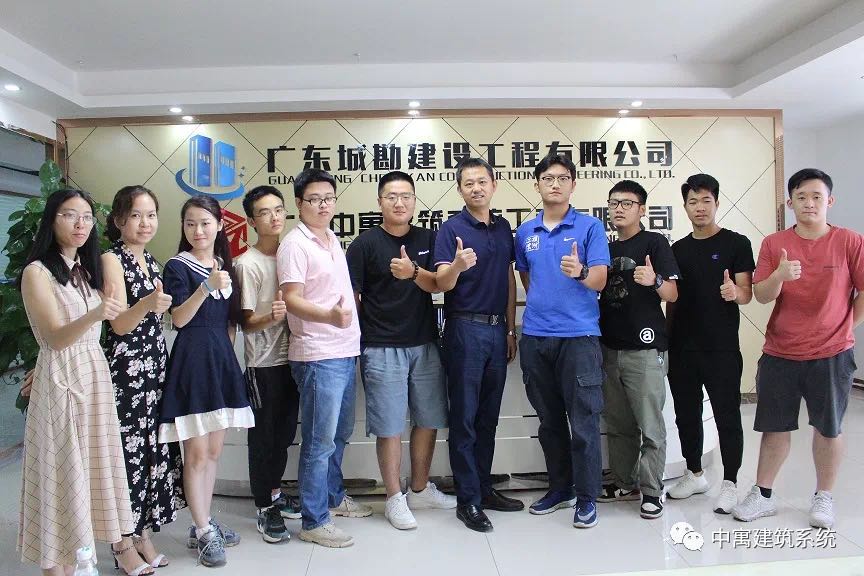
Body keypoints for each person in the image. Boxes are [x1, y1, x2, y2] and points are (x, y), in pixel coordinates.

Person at [18, 188, 146, 576]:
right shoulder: (37, 272)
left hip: (92, 377)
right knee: (62, 472)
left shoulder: (85, 271)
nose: (80, 224)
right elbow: (55, 338)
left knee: (89, 472)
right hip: (62, 381)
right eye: (70, 215)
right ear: (51, 220)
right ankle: (58, 565)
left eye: (87, 217)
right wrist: (95, 314)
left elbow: (109, 325)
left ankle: (82, 557)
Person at [733, 168, 864, 529]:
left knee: (829, 428)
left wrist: (844, 327)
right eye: (801, 197)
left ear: (829, 201)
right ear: (790, 203)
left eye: (816, 196)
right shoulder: (774, 243)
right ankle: (763, 494)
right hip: (781, 351)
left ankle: (824, 496)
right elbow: (761, 295)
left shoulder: (849, 241)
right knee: (774, 427)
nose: (809, 203)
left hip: (832, 354)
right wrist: (779, 275)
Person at [346, 171, 456, 531]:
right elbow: (352, 298)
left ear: (414, 201)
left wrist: (412, 272)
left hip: (425, 342)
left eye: (406, 196)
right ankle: (394, 497)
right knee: (390, 425)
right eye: (391, 196)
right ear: (379, 201)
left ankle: (419, 490)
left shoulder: (429, 238)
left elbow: (438, 284)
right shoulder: (363, 245)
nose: (399, 202)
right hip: (381, 346)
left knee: (428, 418)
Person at [278, 168, 372, 548]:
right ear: (299, 203)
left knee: (339, 434)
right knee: (319, 441)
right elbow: (291, 299)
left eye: (328, 199)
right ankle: (314, 520)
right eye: (314, 199)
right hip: (318, 354)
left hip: (345, 350)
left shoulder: (331, 237)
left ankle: (332, 498)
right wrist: (330, 317)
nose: (322, 205)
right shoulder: (294, 244)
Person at [515, 155, 610, 528]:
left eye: (562, 178)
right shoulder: (526, 232)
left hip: (579, 338)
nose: (555, 184)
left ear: (573, 184)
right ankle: (560, 489)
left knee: (583, 422)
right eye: (548, 178)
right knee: (549, 421)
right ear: (537, 184)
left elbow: (600, 279)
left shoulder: (590, 227)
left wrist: (580, 271)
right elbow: (527, 277)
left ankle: (586, 498)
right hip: (536, 337)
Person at [159, 195, 254, 567]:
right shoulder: (177, 266)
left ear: (219, 225)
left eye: (204, 223)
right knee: (196, 454)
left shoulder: (224, 266)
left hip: (220, 362)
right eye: (190, 223)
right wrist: (205, 287)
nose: (197, 230)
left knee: (213, 452)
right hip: (192, 362)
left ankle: (204, 522)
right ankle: (202, 530)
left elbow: (229, 323)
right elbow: (179, 319)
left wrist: (228, 360)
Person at [434, 157, 522, 533]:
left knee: (488, 418)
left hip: (497, 330)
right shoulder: (450, 229)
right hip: (464, 330)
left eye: (482, 181)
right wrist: (456, 265)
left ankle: (484, 489)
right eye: (468, 183)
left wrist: (510, 330)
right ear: (459, 189)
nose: (476, 188)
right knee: (465, 419)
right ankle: (467, 499)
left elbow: (509, 278)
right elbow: (441, 282)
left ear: (494, 184)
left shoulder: (503, 228)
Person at [102, 186, 185, 568]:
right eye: (136, 215)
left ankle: (142, 534)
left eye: (151, 214)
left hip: (153, 365)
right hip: (127, 371)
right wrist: (149, 304)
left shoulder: (150, 260)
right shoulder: (111, 259)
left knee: (152, 451)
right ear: (119, 219)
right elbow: (119, 324)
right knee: (127, 455)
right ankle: (121, 543)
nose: (145, 222)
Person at [665, 174, 754, 513]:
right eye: (693, 201)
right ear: (685, 206)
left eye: (706, 201)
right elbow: (671, 299)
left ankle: (730, 483)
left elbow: (746, 293)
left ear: (717, 203)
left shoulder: (736, 243)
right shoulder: (677, 249)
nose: (699, 207)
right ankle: (695, 473)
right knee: (686, 415)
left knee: (727, 415)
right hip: (682, 346)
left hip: (721, 347)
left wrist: (735, 293)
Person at [597, 180, 679, 520]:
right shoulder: (604, 247)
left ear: (642, 209)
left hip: (645, 349)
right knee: (619, 424)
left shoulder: (655, 242)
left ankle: (652, 490)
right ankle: (623, 482)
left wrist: (654, 280)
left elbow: (672, 293)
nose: (619, 209)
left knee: (650, 425)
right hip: (609, 347)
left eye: (627, 203)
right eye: (614, 203)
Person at [236, 185, 300, 544]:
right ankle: (264, 506)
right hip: (263, 364)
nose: (274, 217)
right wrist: (272, 317)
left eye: (278, 209)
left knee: (285, 434)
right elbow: (245, 323)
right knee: (264, 437)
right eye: (264, 212)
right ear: (251, 221)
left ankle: (275, 493)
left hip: (295, 358)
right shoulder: (247, 264)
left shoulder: (292, 255)